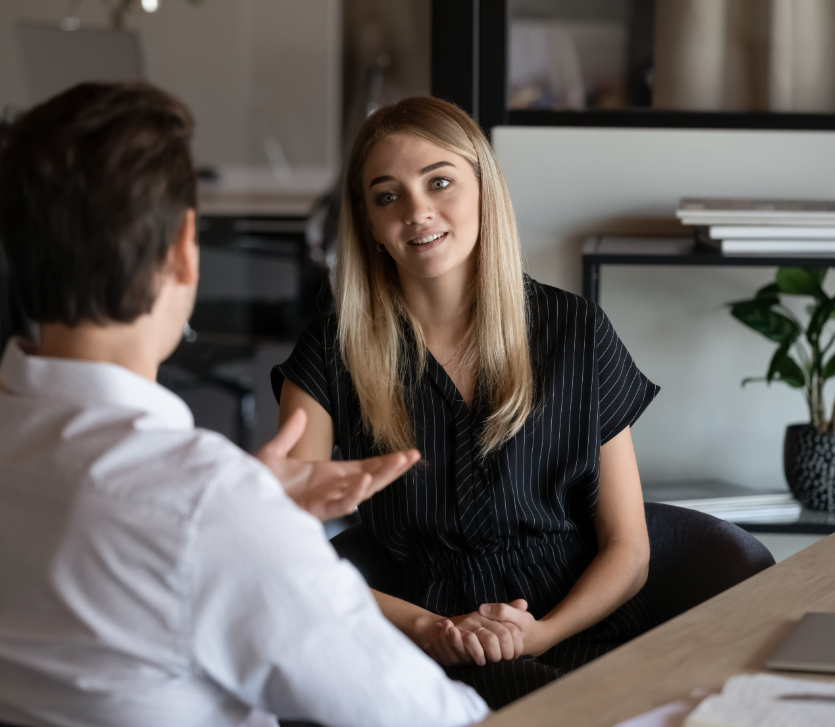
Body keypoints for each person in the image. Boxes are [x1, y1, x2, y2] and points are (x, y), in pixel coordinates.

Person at [0, 82, 489, 727]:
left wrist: (251, 506)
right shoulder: (206, 509)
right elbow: (433, 717)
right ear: (181, 250)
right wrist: (250, 519)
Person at [274, 96, 660, 708]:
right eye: (387, 195)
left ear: (484, 189)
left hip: (578, 633)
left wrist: (541, 633)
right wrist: (432, 629)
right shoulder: (331, 351)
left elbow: (629, 550)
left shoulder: (576, 331)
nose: (417, 211)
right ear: (369, 224)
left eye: (440, 182)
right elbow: (285, 554)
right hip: (415, 647)